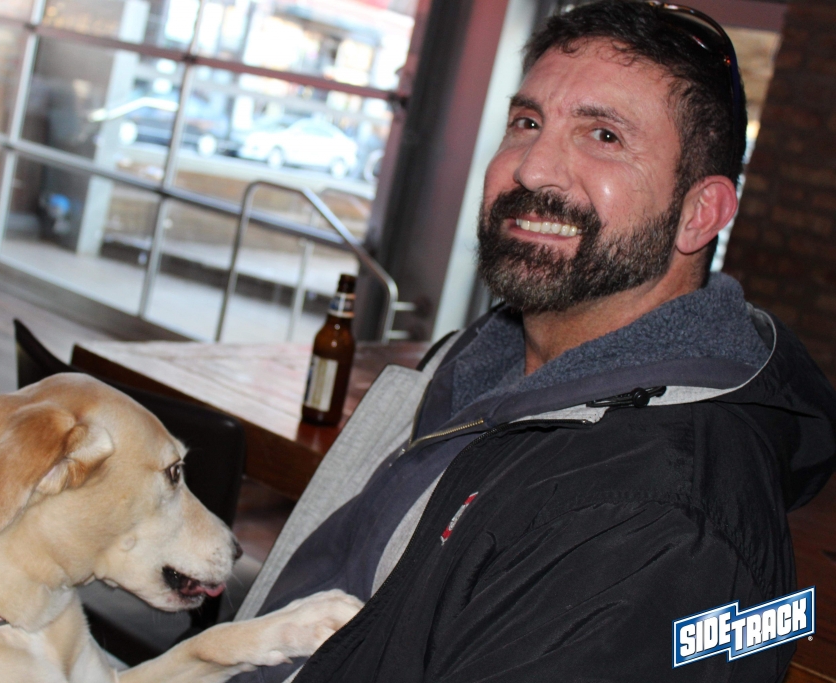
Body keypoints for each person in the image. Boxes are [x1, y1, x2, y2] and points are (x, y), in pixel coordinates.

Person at [231, 1, 836, 681]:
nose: (533, 168)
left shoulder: (663, 527)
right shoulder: (477, 362)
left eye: (603, 135)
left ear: (700, 213)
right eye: (526, 122)